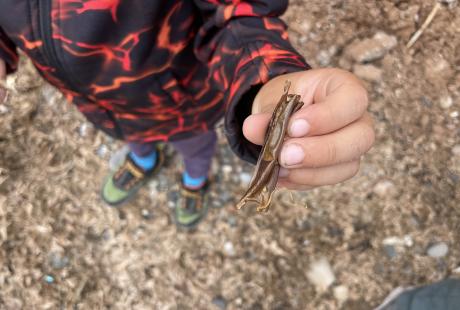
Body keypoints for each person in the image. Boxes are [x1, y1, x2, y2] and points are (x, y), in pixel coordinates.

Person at [0, 1, 374, 229]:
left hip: (183, 105)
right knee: (134, 137)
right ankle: (142, 159)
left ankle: (195, 181)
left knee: (195, 148)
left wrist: (266, 74)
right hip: (103, 106)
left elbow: (239, 14)